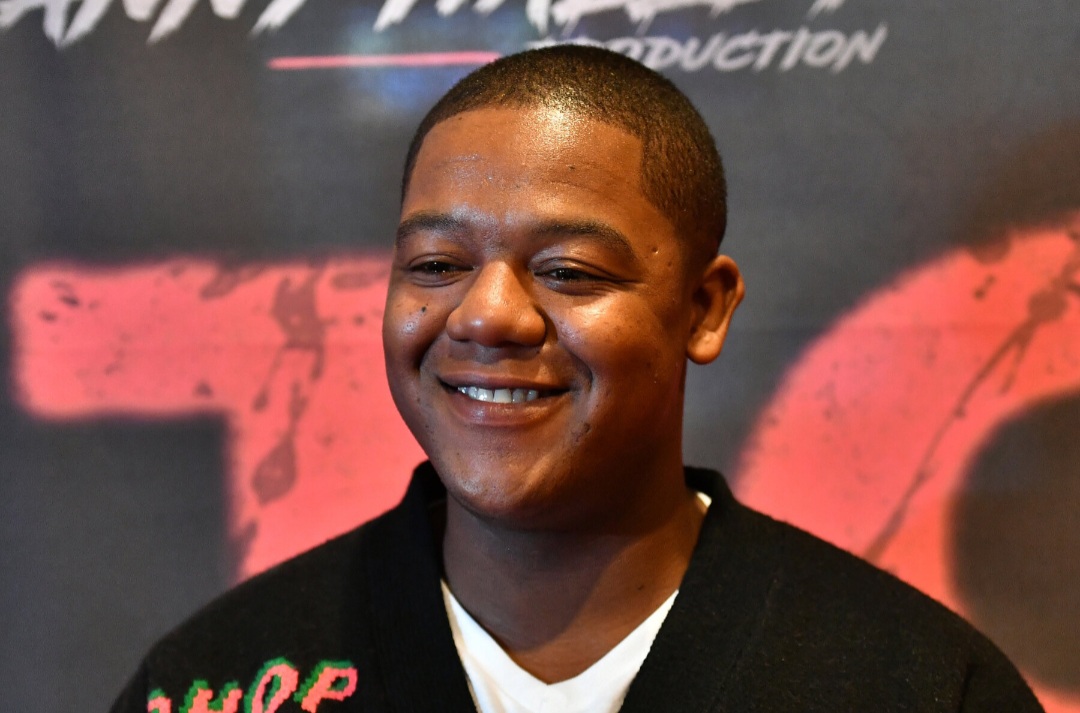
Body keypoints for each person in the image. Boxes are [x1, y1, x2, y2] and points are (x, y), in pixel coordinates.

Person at [110, 45, 1044, 713]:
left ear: (704, 307)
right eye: (436, 264)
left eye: (568, 271)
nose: (486, 315)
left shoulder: (919, 685)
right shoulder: (213, 683)